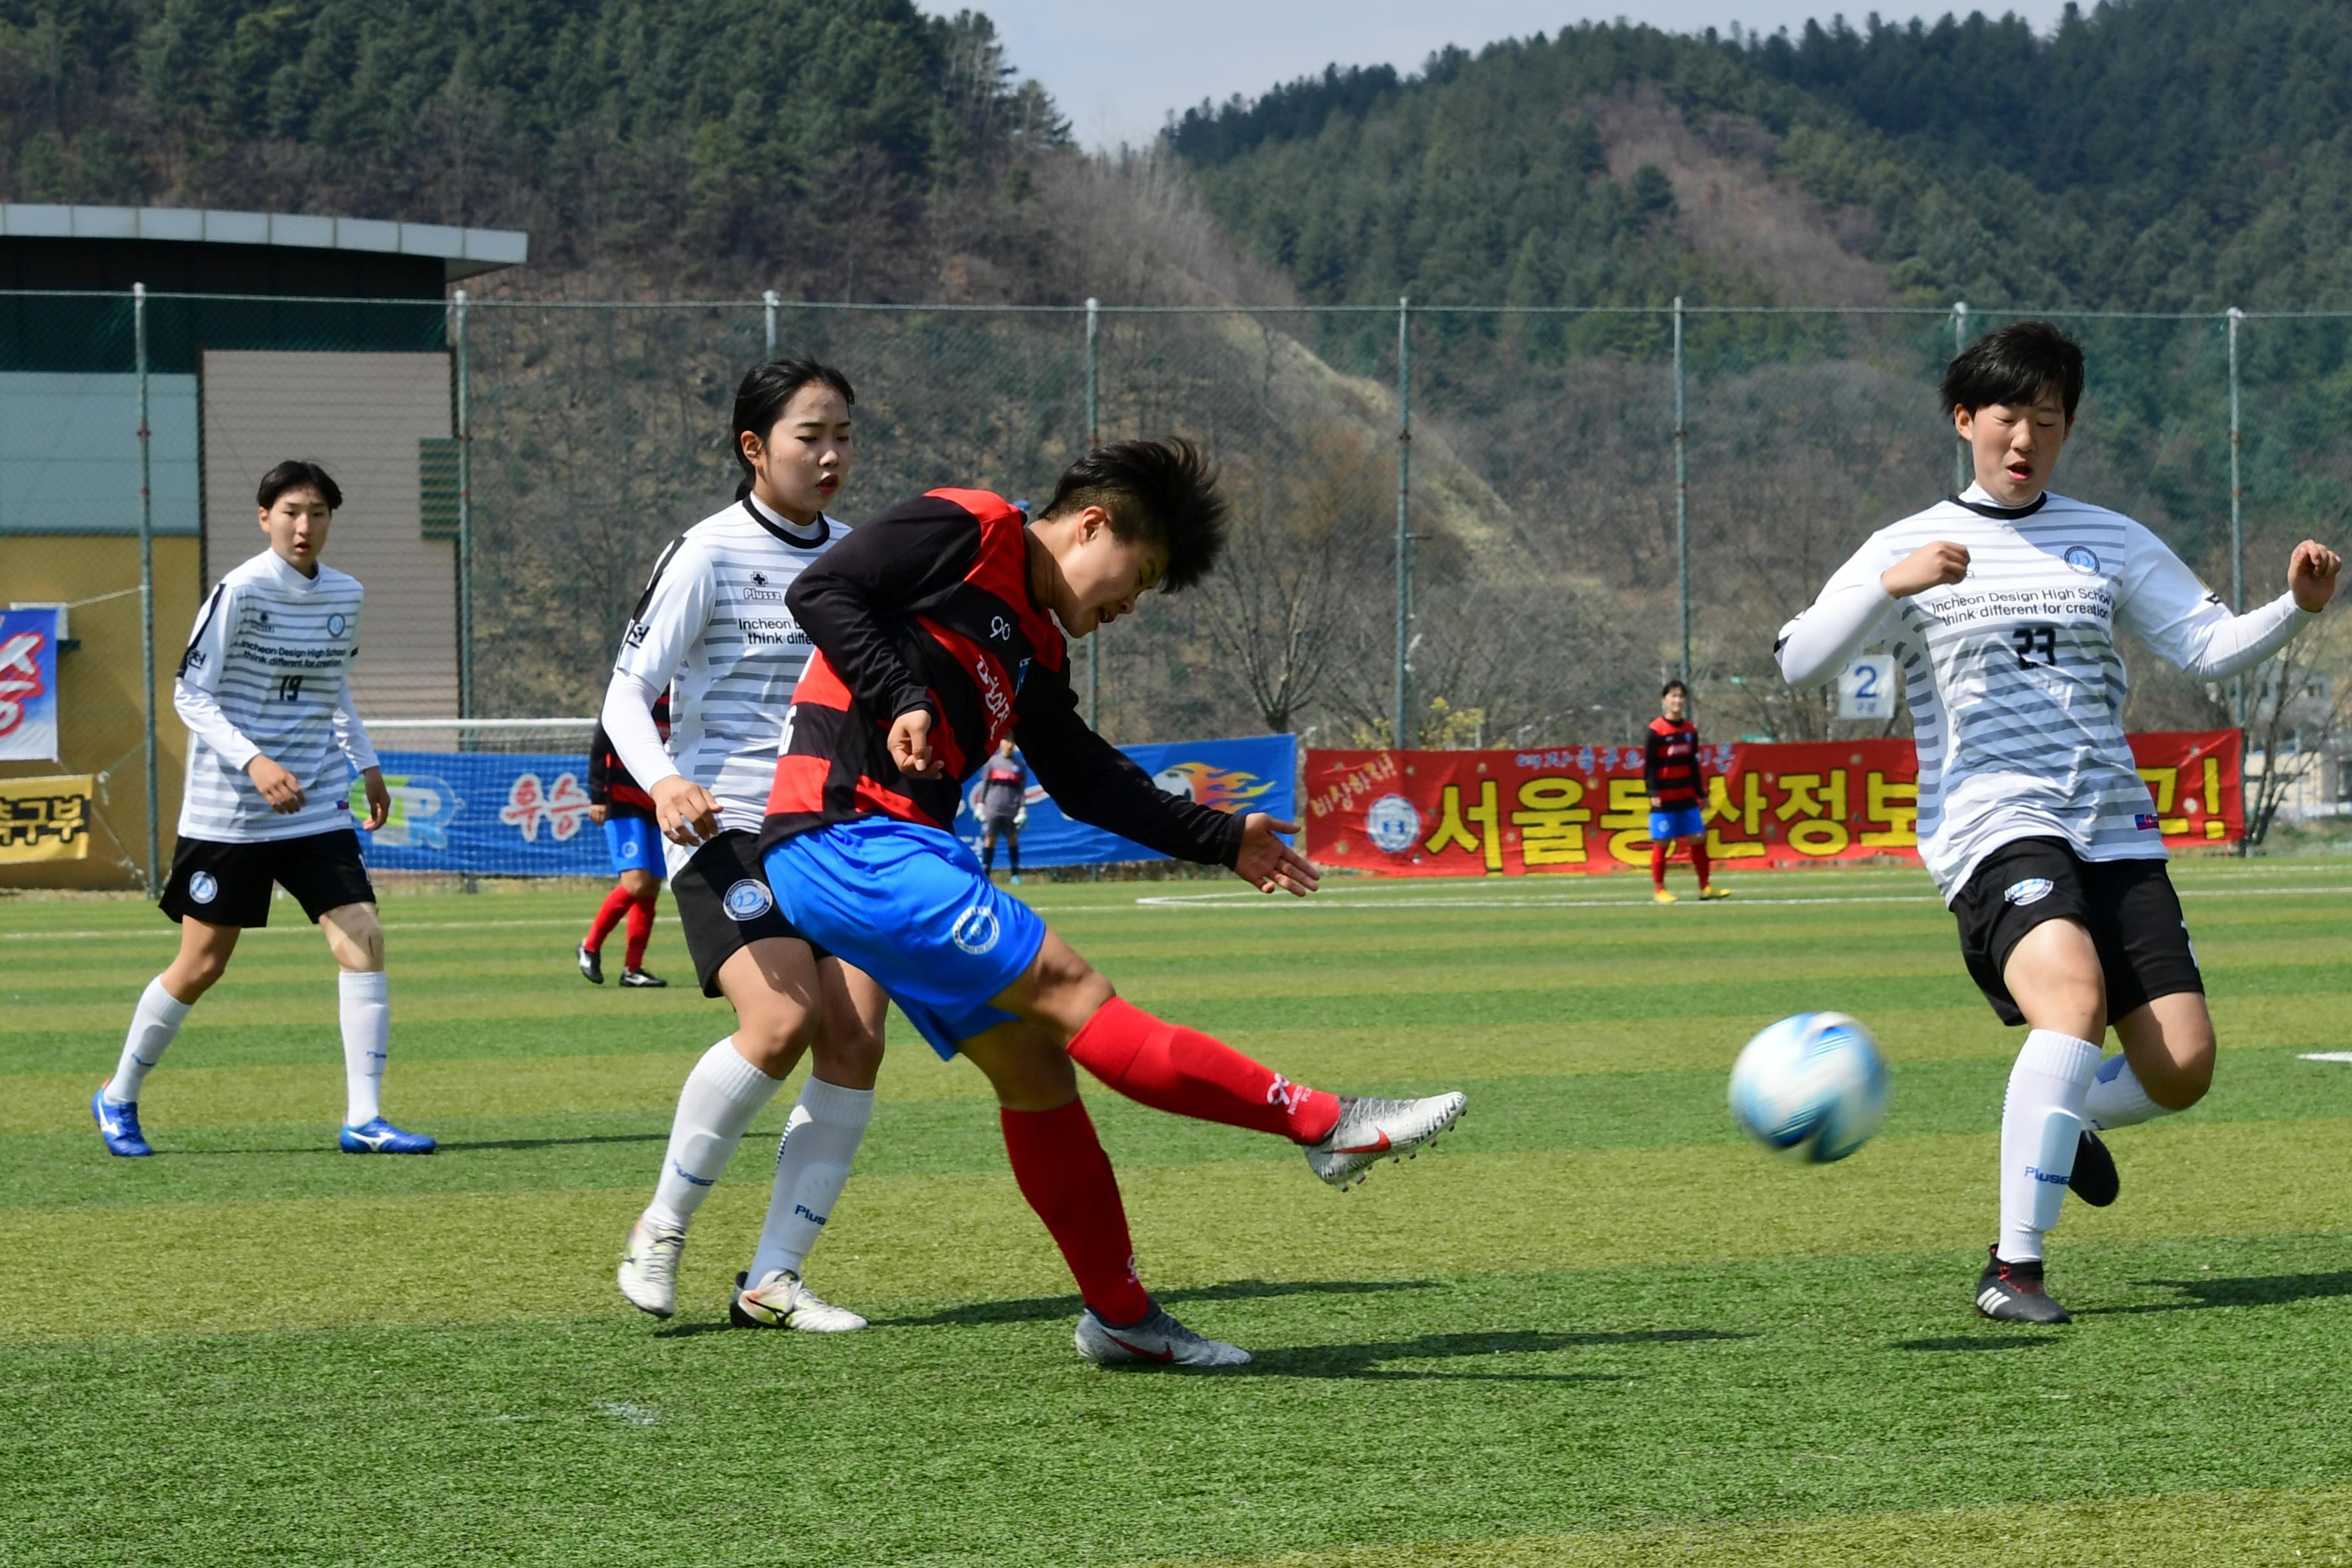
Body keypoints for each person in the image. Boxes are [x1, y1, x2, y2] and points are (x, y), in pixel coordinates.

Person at [759, 438, 1467, 1368]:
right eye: (1143, 575)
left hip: (902, 852)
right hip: (842, 833)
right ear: (1092, 525)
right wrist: (902, 695)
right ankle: (1321, 1121)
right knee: (1069, 987)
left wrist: (1219, 837)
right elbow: (822, 592)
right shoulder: (971, 527)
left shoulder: (1040, 648)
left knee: (1037, 1072)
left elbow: (1088, 782)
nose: (1133, 605)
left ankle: (1123, 1320)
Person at [1774, 320, 2340, 1324]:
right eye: (2007, 417)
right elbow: (1798, 661)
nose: (2025, 438)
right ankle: (2013, 1267)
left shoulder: (2110, 538)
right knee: (2069, 1002)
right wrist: (1884, 585)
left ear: (2067, 428)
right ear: (1965, 421)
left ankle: (2063, 1111)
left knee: (2183, 1067)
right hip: (1992, 825)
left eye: (2047, 419)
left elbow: (2208, 646)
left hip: (2114, 825)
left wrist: (2295, 607)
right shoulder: (1902, 547)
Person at [602, 358, 880, 1333]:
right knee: (780, 1022)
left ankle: (772, 1279)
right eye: (811, 434)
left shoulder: (857, 557)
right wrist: (666, 780)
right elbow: (626, 694)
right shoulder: (708, 553)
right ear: (754, 448)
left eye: (843, 433)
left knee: (856, 1033)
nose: (833, 452)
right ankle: (662, 1227)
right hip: (728, 825)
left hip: (834, 827)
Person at [94, 460, 433, 1157]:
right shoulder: (239, 590)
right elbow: (191, 695)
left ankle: (364, 1118)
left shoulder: (346, 593)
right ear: (264, 516)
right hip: (232, 811)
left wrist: (366, 762)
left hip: (315, 806)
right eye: (290, 511)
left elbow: (332, 687)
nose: (304, 526)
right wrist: (254, 759)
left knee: (363, 937)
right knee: (203, 963)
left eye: (317, 512)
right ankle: (118, 1094)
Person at [580, 691, 672, 987]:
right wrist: (597, 795)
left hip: (655, 802)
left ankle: (633, 969)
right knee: (635, 884)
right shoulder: (632, 696)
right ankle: (589, 946)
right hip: (623, 803)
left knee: (650, 888)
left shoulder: (679, 700)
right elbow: (599, 745)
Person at [1645, 678, 1725, 904]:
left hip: (1686, 795)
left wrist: (1702, 793)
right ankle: (1660, 889)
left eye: (1681, 697)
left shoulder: (1691, 730)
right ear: (1664, 700)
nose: (1677, 701)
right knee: (1663, 841)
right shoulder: (1656, 730)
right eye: (1673, 696)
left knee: (1699, 837)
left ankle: (1705, 886)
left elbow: (1693, 764)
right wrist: (1653, 792)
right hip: (1665, 796)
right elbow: (1650, 765)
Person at [976, 738, 1027, 883]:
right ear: (1000, 742)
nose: (1009, 745)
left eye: (1012, 742)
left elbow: (1022, 790)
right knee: (990, 839)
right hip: (993, 808)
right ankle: (986, 873)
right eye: (1007, 741)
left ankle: (1015, 874)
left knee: (1013, 840)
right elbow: (985, 785)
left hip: (1011, 809)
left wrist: (1023, 809)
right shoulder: (992, 763)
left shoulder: (1020, 765)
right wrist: (981, 805)